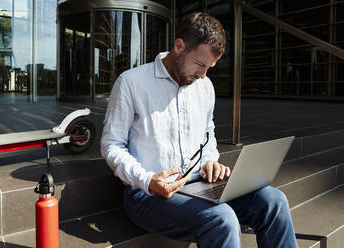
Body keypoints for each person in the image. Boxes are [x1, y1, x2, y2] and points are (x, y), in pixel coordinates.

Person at [101, 12, 297, 248]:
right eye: (201, 64)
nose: (204, 75)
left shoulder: (204, 86)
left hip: (198, 186)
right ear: (179, 46)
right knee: (222, 220)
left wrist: (210, 161)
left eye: (210, 67)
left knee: (273, 201)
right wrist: (148, 180)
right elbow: (111, 145)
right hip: (147, 195)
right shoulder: (131, 82)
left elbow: (207, 137)